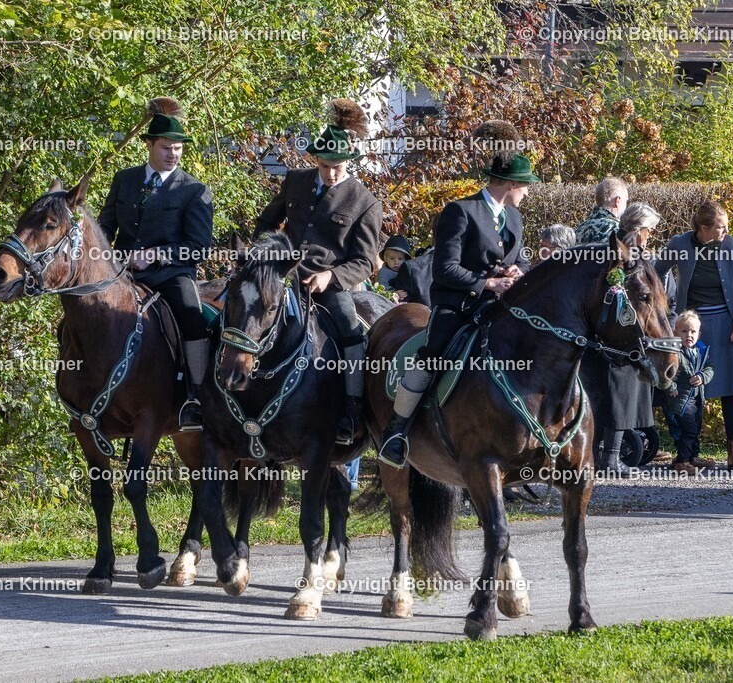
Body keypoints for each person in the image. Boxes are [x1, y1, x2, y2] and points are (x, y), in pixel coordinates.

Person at [378, 140, 538, 468]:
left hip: (499, 307)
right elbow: (444, 269)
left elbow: (520, 259)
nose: (527, 192)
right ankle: (397, 430)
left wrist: (517, 270)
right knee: (432, 355)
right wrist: (487, 282)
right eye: (525, 186)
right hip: (459, 306)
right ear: (510, 184)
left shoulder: (515, 218)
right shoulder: (461, 211)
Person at [254, 98, 382, 445]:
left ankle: (352, 409)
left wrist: (332, 277)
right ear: (316, 160)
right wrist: (269, 254)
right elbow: (266, 222)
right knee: (240, 312)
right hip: (283, 277)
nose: (330, 173)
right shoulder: (295, 181)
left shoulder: (365, 201)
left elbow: (365, 260)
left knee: (352, 333)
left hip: (329, 284)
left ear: (348, 163)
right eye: (325, 166)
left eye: (337, 166)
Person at [97, 97, 213, 431]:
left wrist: (157, 255)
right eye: (166, 147)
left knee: (193, 317)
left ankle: (196, 398)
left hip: (171, 275)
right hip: (121, 274)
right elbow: (105, 229)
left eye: (178, 148)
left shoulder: (193, 189)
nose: (173, 154)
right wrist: (111, 259)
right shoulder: (125, 180)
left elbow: (198, 248)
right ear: (149, 145)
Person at [658, 201, 733, 471]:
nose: (725, 232)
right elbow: (655, 273)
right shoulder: (679, 243)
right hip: (690, 326)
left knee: (730, 389)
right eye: (720, 227)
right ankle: (687, 453)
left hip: (726, 325)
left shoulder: (732, 246)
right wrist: (667, 315)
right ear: (703, 228)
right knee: (688, 388)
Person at [580, 202, 662, 476]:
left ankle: (603, 455)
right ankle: (610, 457)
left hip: (613, 334)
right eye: (649, 230)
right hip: (622, 334)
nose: (651, 235)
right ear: (638, 230)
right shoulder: (627, 253)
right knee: (619, 394)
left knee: (613, 394)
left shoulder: (618, 245)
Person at [663, 311, 715, 475]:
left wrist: (702, 377)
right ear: (675, 333)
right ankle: (682, 461)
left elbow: (710, 368)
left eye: (693, 332)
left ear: (698, 334)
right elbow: (665, 373)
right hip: (680, 399)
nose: (689, 335)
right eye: (684, 331)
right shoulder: (674, 352)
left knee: (696, 428)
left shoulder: (700, 350)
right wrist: (671, 387)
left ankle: (692, 457)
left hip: (697, 398)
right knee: (688, 430)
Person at [576, 177, 628, 245]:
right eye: (626, 201)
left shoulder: (579, 229)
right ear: (617, 200)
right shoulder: (616, 230)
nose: (626, 206)